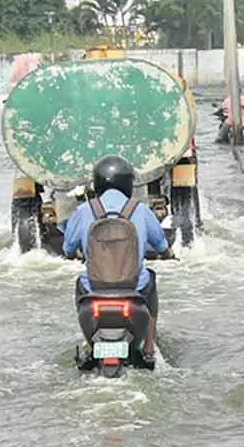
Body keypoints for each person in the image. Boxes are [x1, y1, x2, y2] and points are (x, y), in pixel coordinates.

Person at [62, 155, 173, 361]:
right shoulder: (140, 210)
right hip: (134, 289)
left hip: (94, 289)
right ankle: (148, 348)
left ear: (97, 183)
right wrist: (168, 254)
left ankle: (89, 341)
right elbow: (161, 245)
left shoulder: (84, 210)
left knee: (80, 283)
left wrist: (78, 253)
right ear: (128, 184)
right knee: (151, 278)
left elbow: (68, 249)